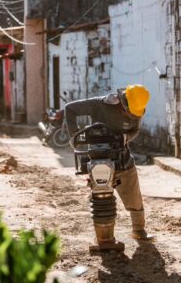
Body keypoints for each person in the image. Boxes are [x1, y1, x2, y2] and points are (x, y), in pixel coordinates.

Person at [65, 84, 154, 241]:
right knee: (101, 198)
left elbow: (135, 130)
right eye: (128, 111)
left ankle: (139, 230)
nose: (130, 116)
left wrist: (126, 138)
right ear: (122, 101)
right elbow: (70, 109)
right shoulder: (100, 105)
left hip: (122, 157)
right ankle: (104, 235)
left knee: (134, 196)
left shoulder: (136, 110)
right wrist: (74, 136)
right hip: (98, 157)